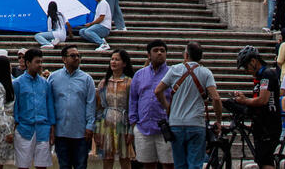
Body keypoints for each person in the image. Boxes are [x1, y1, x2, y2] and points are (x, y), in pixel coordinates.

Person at [154, 42, 222, 169]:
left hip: (176, 123)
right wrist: (218, 120)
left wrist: (167, 106)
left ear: (186, 55)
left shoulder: (175, 69)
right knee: (195, 164)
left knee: (179, 165)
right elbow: (216, 98)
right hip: (196, 124)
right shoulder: (206, 73)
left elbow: (158, 90)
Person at [49, 44, 97, 169]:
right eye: (73, 55)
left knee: (81, 165)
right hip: (61, 132)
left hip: (80, 132)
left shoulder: (87, 79)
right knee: (64, 165)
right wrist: (51, 127)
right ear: (64, 59)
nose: (76, 58)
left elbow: (91, 104)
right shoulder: (54, 78)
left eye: (78, 56)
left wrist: (90, 126)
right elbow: (50, 103)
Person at [233, 45, 281, 169]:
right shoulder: (260, 77)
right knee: (262, 161)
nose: (246, 70)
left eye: (246, 66)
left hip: (269, 126)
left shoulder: (267, 74)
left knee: (266, 163)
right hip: (261, 125)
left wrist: (244, 101)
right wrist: (245, 99)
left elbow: (263, 100)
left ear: (253, 61)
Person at [128, 39, 172, 169]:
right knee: (147, 164)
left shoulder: (172, 73)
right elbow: (133, 99)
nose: (159, 53)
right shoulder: (139, 75)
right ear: (149, 55)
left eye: (162, 51)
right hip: (143, 126)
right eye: (156, 51)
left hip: (165, 127)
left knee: (169, 164)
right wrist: (134, 122)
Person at [12, 47, 55, 169]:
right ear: (28, 63)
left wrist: (52, 127)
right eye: (37, 62)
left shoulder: (45, 83)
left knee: (42, 166)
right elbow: (15, 107)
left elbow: (49, 106)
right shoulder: (17, 83)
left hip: (43, 129)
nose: (40, 65)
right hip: (24, 129)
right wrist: (16, 125)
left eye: (41, 62)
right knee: (23, 166)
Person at [95, 50, 134, 169]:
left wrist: (131, 130)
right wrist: (97, 129)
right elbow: (99, 108)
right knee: (107, 158)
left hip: (124, 122)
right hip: (106, 123)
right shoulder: (103, 83)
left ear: (124, 63)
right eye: (112, 59)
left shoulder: (130, 82)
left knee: (125, 158)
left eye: (117, 59)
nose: (113, 62)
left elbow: (133, 107)